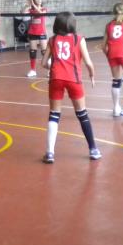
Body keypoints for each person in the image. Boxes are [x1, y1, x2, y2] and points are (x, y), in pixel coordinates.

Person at [41, 12, 101, 163]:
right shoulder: (79, 39)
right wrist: (92, 75)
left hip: (56, 78)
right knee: (82, 114)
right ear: (73, 24)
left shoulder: (52, 40)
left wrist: (53, 67)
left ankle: (50, 152)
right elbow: (88, 63)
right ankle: (93, 149)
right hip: (73, 79)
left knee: (54, 114)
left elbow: (43, 63)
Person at [23, 0, 48, 78]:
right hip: (32, 32)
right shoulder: (31, 10)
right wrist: (28, 4)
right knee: (32, 51)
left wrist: (33, 4)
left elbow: (40, 13)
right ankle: (33, 70)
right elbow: (23, 12)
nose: (39, 0)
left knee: (44, 51)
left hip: (41, 32)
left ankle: (49, 70)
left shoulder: (44, 9)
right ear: (34, 1)